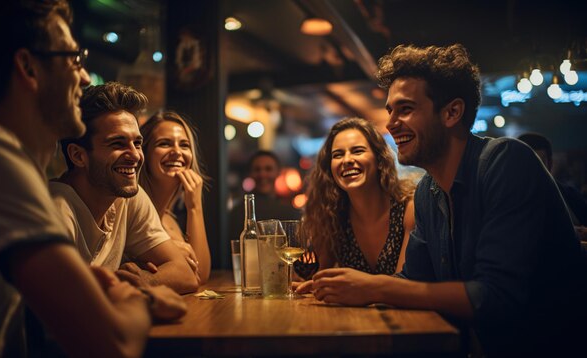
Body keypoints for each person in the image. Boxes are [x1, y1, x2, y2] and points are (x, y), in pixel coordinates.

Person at [309, 44, 587, 355]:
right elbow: (413, 282)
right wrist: (339, 286)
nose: (390, 123)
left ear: (452, 112)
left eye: (405, 109)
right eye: (390, 111)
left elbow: (494, 299)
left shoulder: (506, 161)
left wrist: (374, 287)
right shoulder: (429, 191)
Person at [0, 1, 185, 357]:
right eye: (73, 59)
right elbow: (113, 345)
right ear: (27, 67)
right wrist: (140, 300)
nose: (83, 78)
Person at [52, 82, 200, 294]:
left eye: (137, 143)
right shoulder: (56, 208)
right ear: (78, 155)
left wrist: (145, 280)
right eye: (117, 144)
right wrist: (130, 285)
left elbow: (186, 274)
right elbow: (65, 302)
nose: (135, 155)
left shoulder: (129, 197)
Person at [299, 117, 415, 281]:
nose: (347, 160)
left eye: (357, 151)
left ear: (379, 159)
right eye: (338, 154)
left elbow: (403, 285)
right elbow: (311, 277)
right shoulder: (333, 216)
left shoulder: (409, 209)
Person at [139, 110, 211, 283]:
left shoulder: (170, 221)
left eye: (184, 145)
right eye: (164, 143)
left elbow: (201, 274)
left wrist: (194, 207)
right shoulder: (133, 211)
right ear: (144, 153)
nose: (177, 152)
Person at [517, 132, 587, 239]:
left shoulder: (569, 195)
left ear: (550, 164)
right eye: (527, 164)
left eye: (540, 164)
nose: (533, 171)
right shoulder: (506, 198)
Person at [228, 150, 301, 241]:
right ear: (250, 173)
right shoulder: (238, 213)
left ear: (278, 172)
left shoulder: (291, 212)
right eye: (257, 169)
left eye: (268, 169)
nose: (262, 174)